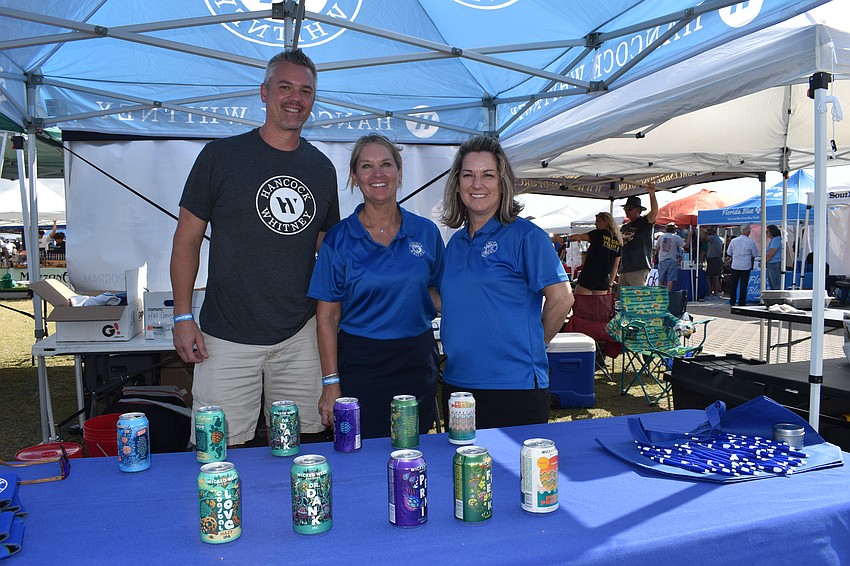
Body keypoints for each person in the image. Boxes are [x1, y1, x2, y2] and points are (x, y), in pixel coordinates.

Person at [170, 49, 340, 446]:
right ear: (264, 93)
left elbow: (327, 246)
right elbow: (187, 238)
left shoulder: (321, 168)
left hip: (300, 336)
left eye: (306, 90)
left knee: (301, 448)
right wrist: (182, 317)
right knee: (219, 451)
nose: (295, 98)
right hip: (226, 337)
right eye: (285, 87)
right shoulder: (220, 156)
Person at [308, 134, 443, 439]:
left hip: (416, 360)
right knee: (361, 450)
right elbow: (326, 318)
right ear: (355, 177)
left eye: (386, 164)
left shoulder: (426, 232)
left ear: (399, 172)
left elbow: (439, 294)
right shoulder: (338, 239)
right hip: (361, 363)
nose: (378, 174)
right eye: (367, 166)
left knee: (413, 450)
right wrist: (331, 383)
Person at [439, 136, 573, 429]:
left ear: (502, 183)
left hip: (514, 388)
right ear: (457, 183)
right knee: (464, 474)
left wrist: (536, 345)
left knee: (516, 474)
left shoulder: (527, 236)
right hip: (458, 384)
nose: (477, 184)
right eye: (467, 175)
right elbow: (454, 300)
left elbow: (562, 298)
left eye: (488, 175)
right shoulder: (455, 243)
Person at [567, 212, 622, 295]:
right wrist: (610, 284)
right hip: (603, 279)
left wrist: (564, 239)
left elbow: (580, 237)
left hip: (589, 274)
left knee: (580, 303)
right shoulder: (618, 241)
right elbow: (615, 266)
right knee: (598, 306)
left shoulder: (599, 233)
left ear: (606, 222)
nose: (596, 224)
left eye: (598, 221)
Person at [618, 186, 658, 286]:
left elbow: (654, 212)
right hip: (625, 268)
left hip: (639, 268)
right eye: (625, 208)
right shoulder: (624, 227)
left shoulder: (644, 222)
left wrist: (652, 194)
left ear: (638, 210)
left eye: (629, 208)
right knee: (620, 300)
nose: (626, 210)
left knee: (637, 299)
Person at [726, 225, 759, 307]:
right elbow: (755, 254)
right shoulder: (750, 242)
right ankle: (742, 302)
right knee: (743, 285)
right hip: (746, 266)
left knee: (734, 285)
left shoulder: (734, 241)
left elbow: (728, 252)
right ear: (748, 232)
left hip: (735, 265)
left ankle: (732, 301)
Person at [655, 223, 685, 292]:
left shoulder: (661, 237)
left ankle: (660, 294)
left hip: (662, 259)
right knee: (670, 279)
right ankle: (668, 294)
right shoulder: (676, 237)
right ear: (674, 229)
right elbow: (685, 246)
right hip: (672, 259)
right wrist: (689, 235)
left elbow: (657, 248)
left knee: (661, 279)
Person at [704, 227, 724, 297]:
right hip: (716, 259)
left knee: (708, 276)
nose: (707, 231)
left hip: (713, 260)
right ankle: (715, 292)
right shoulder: (717, 238)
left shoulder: (713, 238)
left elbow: (705, 238)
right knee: (715, 276)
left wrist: (701, 229)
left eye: (709, 230)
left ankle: (710, 292)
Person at [765, 224, 782, 290]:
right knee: (773, 282)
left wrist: (763, 262)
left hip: (774, 264)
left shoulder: (776, 239)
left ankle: (776, 298)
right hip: (772, 263)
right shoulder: (774, 240)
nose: (766, 233)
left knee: (774, 282)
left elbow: (771, 254)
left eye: (767, 232)